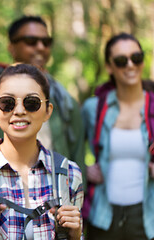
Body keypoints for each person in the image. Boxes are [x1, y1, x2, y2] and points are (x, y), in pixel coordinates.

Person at [0, 15, 86, 186]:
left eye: (46, 42)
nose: (40, 47)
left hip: (55, 199)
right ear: (11, 47)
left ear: (48, 109)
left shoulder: (65, 101)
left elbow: (77, 156)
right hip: (0, 197)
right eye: (31, 41)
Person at [0, 63, 83, 239]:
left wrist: (75, 235)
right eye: (7, 103)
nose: (19, 111)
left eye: (31, 103)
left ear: (47, 111)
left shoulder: (70, 175)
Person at [82, 32, 154, 240]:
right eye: (121, 61)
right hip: (103, 217)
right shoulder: (92, 109)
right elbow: (68, 150)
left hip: (147, 218)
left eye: (136, 58)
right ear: (109, 66)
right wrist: (83, 170)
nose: (130, 65)